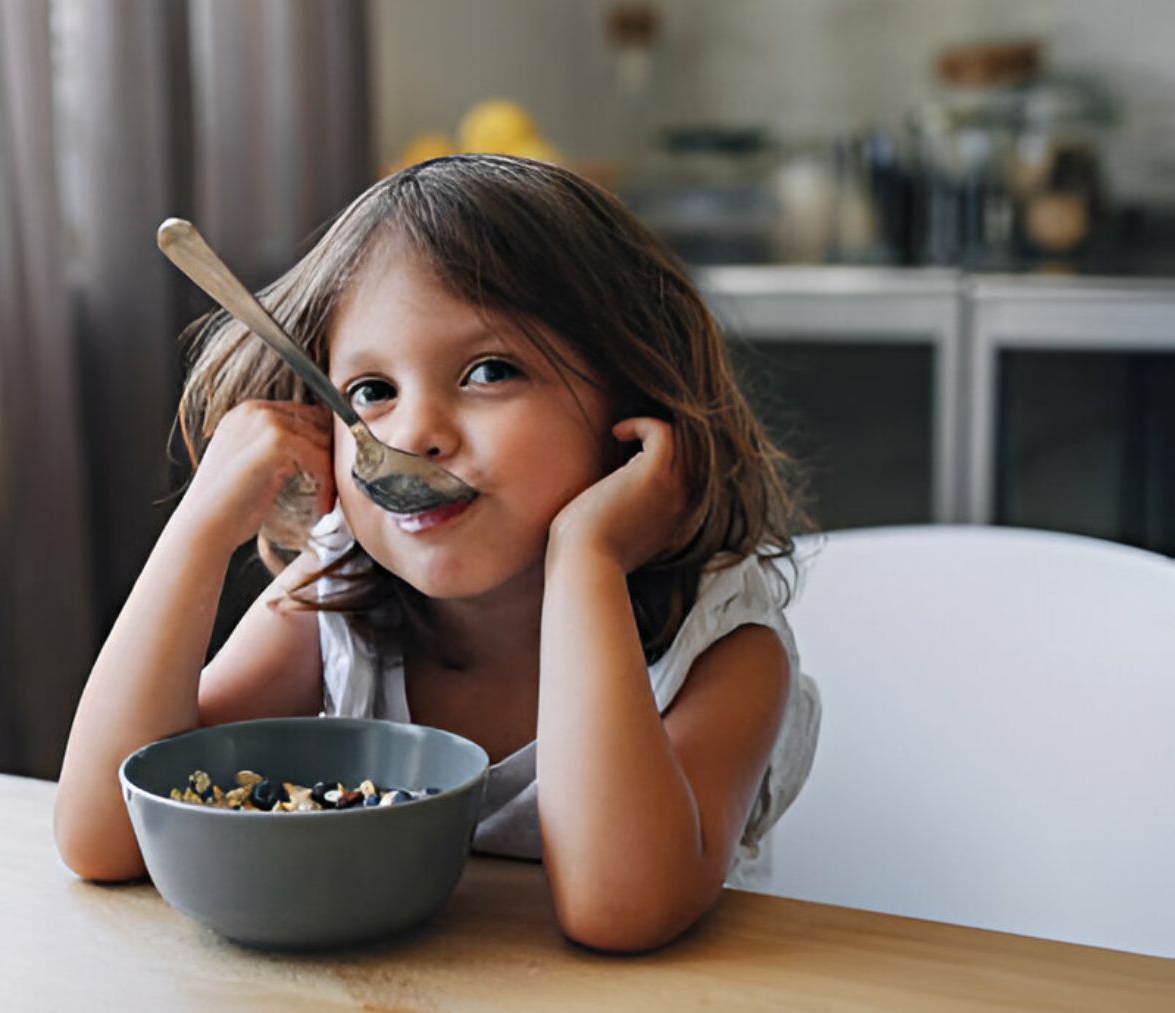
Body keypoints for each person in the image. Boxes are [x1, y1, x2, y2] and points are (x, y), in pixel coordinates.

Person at [54, 154, 820, 952]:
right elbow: (106, 835)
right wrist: (202, 525)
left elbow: (619, 911)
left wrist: (585, 558)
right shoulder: (338, 598)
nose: (411, 432)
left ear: (632, 401)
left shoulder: (724, 652)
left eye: (489, 371)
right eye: (369, 391)